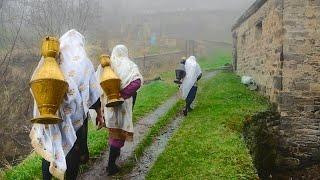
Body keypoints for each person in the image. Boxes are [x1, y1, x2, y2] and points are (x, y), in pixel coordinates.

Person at [29, 29, 103, 180]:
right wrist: (99, 112)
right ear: (80, 44)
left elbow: (36, 84)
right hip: (75, 118)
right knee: (72, 148)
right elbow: (93, 92)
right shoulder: (85, 62)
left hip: (50, 114)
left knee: (51, 147)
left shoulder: (53, 58)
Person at [96, 45, 143, 176]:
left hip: (109, 105)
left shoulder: (107, 65)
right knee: (118, 134)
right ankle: (111, 166)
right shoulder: (130, 65)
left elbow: (97, 83)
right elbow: (137, 82)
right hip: (123, 105)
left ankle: (114, 160)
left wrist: (110, 95)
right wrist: (122, 95)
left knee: (114, 132)